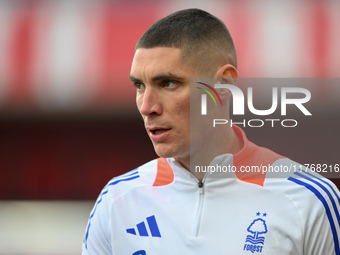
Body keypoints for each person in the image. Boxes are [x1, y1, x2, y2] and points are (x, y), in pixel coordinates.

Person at [82, 9, 340, 255]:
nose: (147, 106)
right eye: (139, 85)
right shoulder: (117, 200)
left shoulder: (308, 200)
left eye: (168, 83)